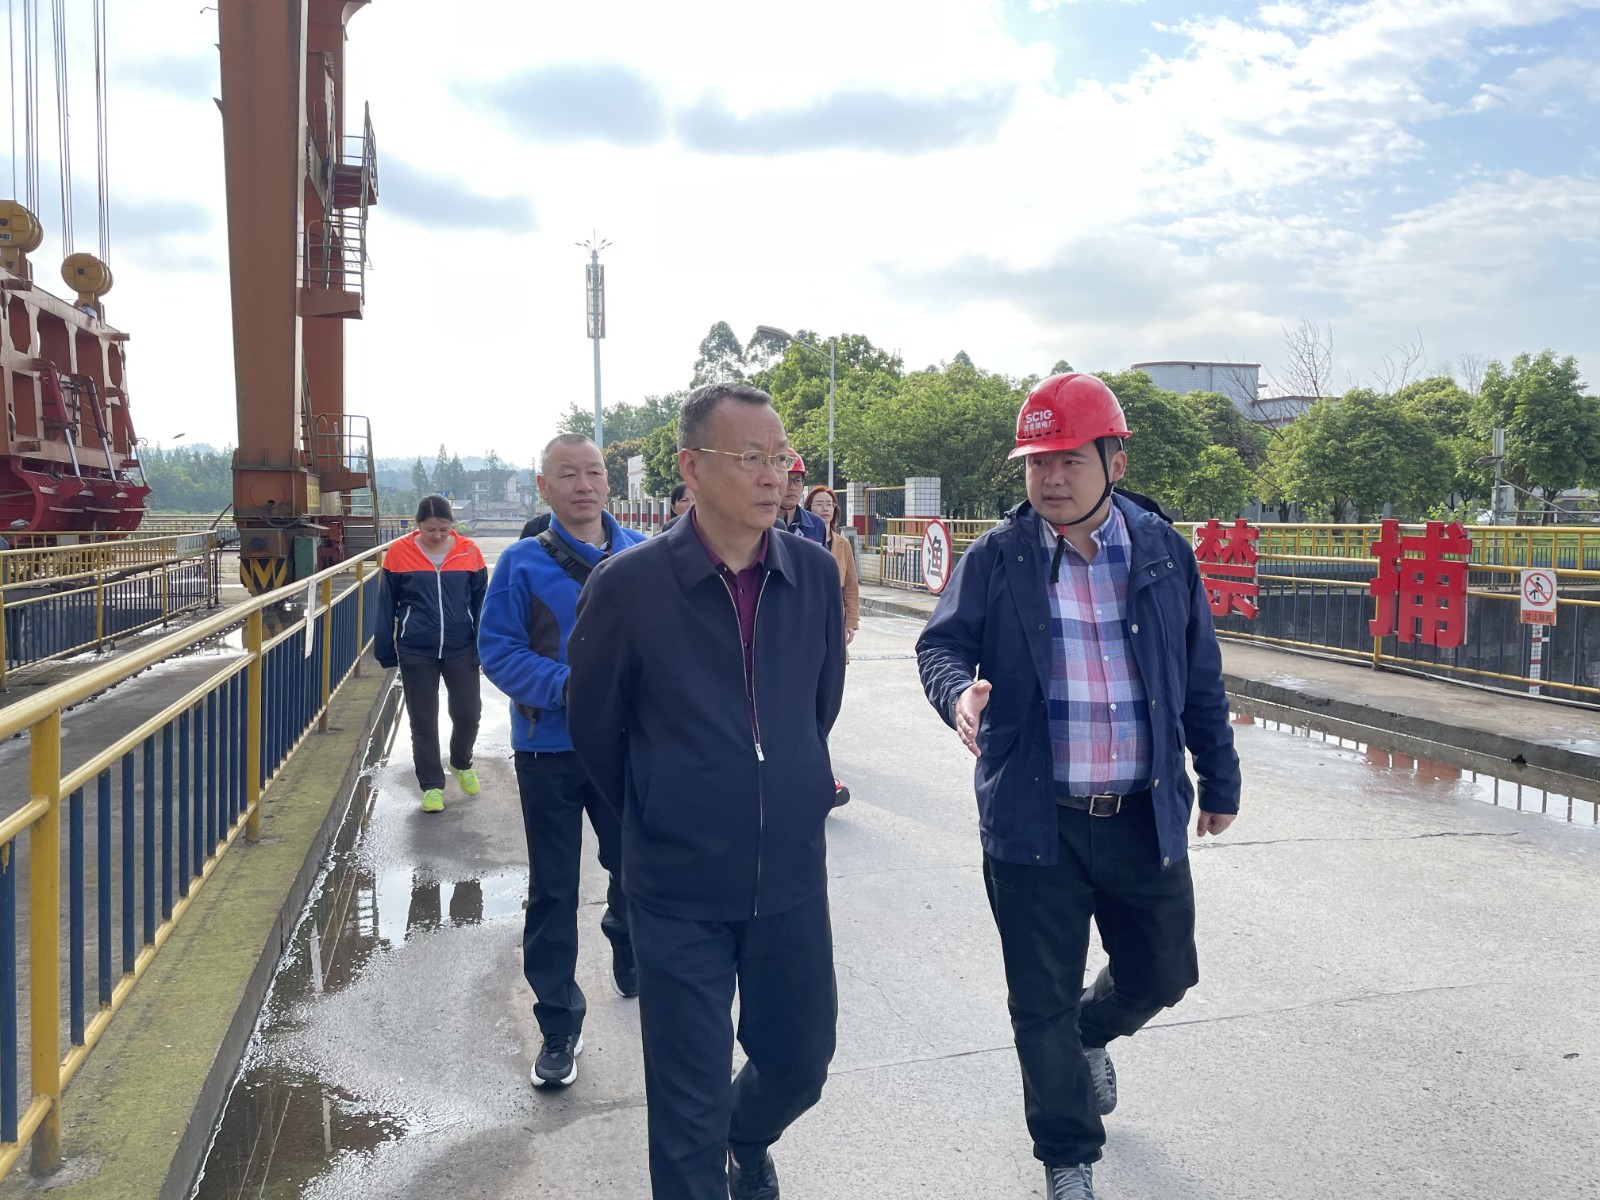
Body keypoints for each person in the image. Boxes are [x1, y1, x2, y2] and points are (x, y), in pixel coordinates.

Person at [915, 373, 1241, 1200]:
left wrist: (1219, 776)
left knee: (1164, 974)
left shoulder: (1164, 552)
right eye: (1037, 462)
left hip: (1141, 814)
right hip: (1035, 821)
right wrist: (958, 695)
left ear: (1114, 461)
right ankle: (1068, 1157)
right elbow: (940, 646)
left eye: (1069, 460)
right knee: (1040, 1002)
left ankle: (1092, 1033)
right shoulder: (998, 557)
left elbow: (1198, 674)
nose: (1051, 478)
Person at [567, 383, 846, 1200]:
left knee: (799, 1065)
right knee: (686, 1111)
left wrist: (787, 785)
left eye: (780, 458)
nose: (772, 475)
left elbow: (816, 707)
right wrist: (663, 810)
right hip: (678, 887)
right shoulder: (628, 588)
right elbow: (597, 731)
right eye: (749, 457)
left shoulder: (812, 575)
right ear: (691, 468)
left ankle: (746, 1136)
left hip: (790, 878)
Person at [478, 434, 647, 1089]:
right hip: (546, 749)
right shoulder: (520, 563)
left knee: (636, 868)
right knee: (553, 891)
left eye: (593, 472)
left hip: (625, 750)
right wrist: (573, 688)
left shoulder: (644, 555)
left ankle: (626, 937)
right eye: (567, 474)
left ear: (608, 482)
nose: (583, 484)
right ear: (543, 487)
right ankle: (558, 1026)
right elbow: (499, 651)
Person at [374, 494, 487, 813]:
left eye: (443, 529)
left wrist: (483, 646)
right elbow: (385, 604)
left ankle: (461, 762)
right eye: (430, 529)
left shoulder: (469, 551)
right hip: (415, 649)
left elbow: (482, 603)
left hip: (461, 645)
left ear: (453, 525)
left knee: (468, 713)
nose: (437, 535)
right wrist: (385, 647)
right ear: (418, 525)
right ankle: (432, 786)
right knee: (423, 720)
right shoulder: (399, 553)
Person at [804, 483, 860, 809]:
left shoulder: (842, 545)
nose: (825, 509)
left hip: (832, 629)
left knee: (827, 697)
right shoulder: (800, 540)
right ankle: (820, 773)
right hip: (804, 630)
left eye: (829, 504)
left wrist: (850, 622)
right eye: (819, 504)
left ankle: (819, 765)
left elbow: (851, 587)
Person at [774, 453, 828, 543]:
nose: (793, 487)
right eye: (787, 480)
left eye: (798, 480)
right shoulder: (762, 522)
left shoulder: (816, 524)